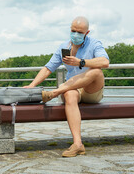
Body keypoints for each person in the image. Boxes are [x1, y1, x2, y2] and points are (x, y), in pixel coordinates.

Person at [24, 16, 109, 157]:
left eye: (80, 32)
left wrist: (81, 62)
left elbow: (105, 62)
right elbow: (48, 68)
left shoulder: (94, 44)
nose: (75, 34)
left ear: (87, 33)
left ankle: (54, 92)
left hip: (90, 90)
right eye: (73, 31)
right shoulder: (64, 47)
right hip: (71, 89)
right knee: (69, 94)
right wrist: (32, 85)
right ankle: (78, 144)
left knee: (97, 71)